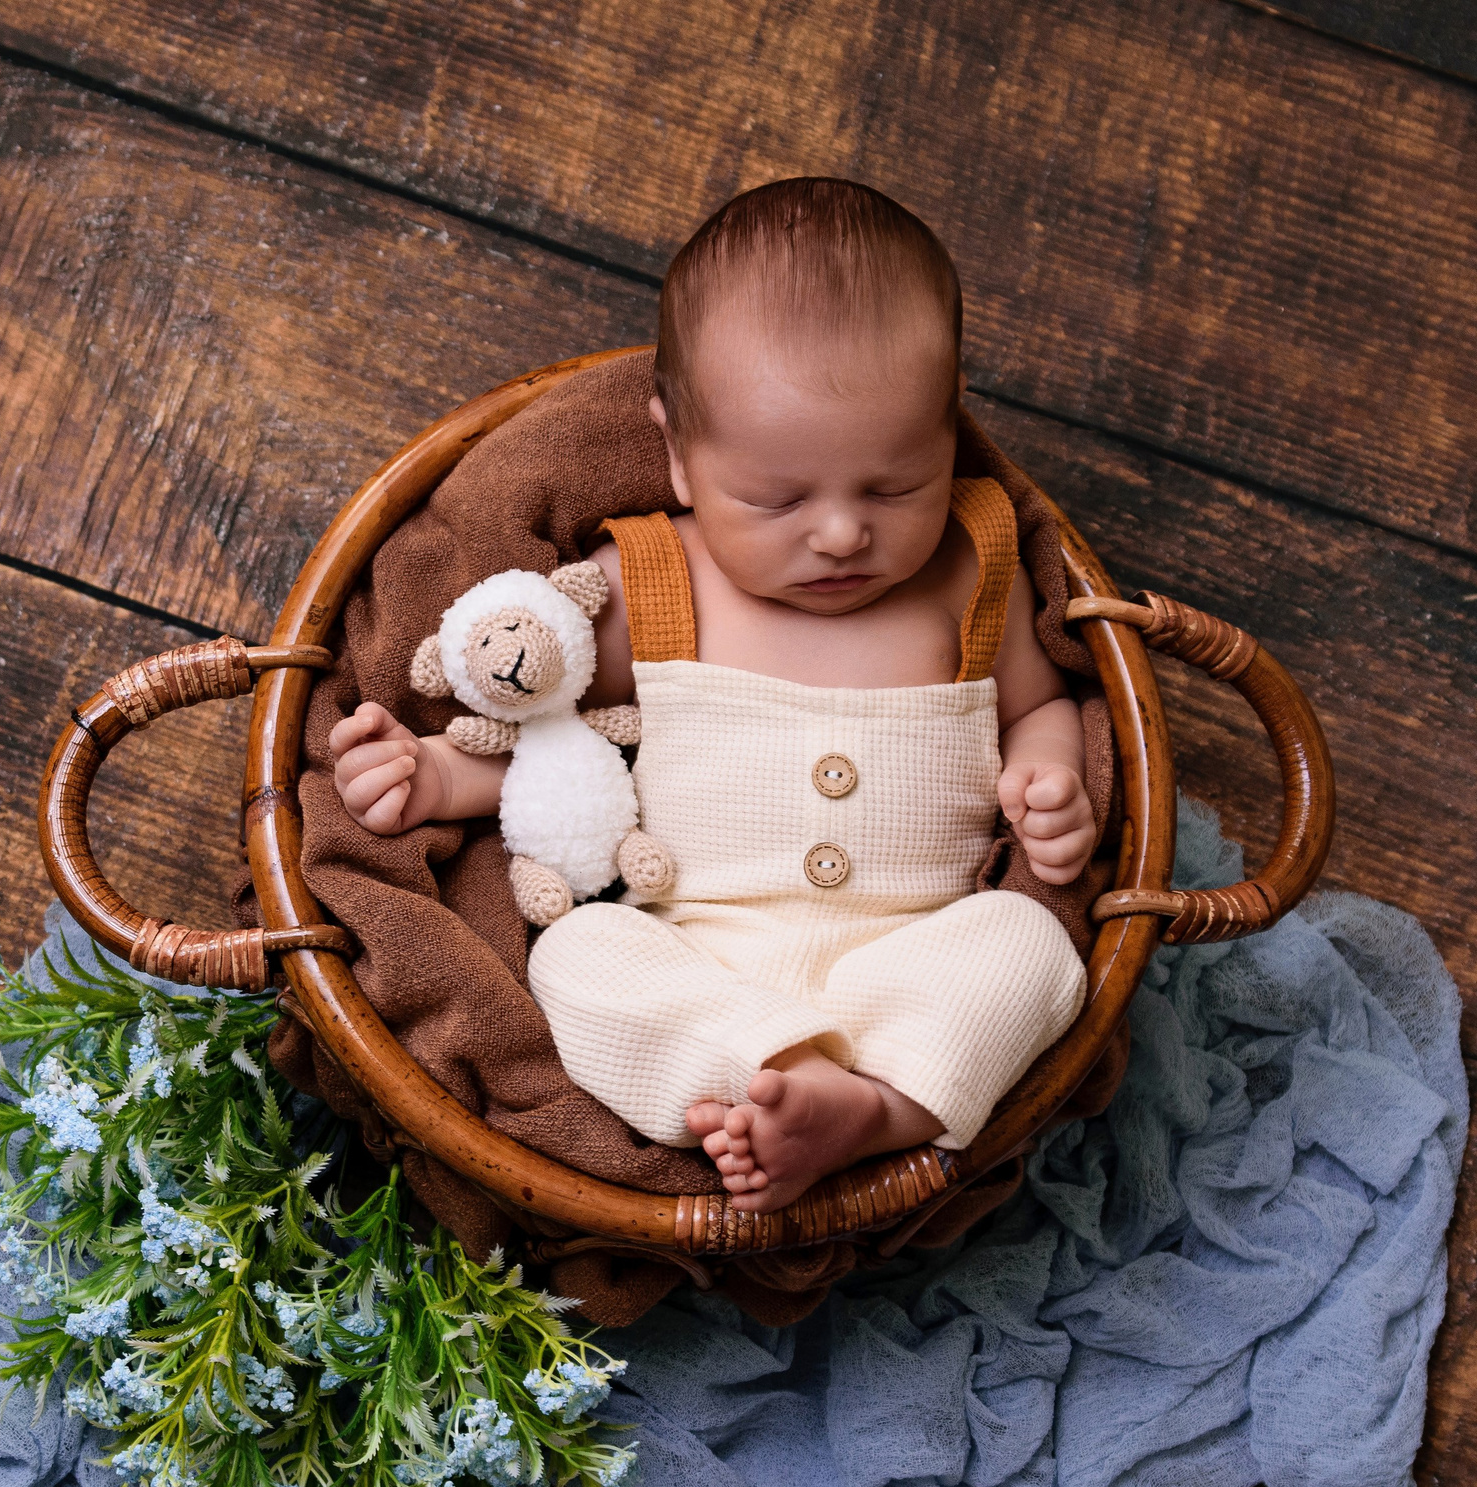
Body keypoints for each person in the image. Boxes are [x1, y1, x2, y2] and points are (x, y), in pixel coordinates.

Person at [327, 179, 1091, 1212]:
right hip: (705, 963)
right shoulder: (652, 582)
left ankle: (878, 1108)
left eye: (892, 486)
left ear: (949, 430)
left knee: (1029, 948)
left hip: (916, 956)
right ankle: (781, 1083)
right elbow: (550, 739)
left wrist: (1049, 777)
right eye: (776, 498)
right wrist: (430, 775)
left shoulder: (969, 567)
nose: (839, 534)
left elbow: (1045, 706)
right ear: (679, 455)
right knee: (583, 958)